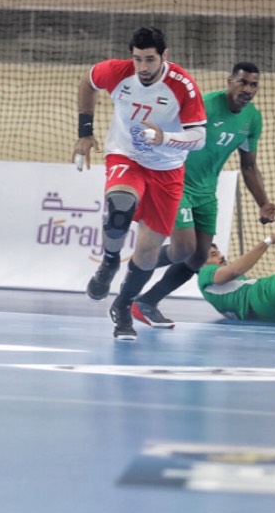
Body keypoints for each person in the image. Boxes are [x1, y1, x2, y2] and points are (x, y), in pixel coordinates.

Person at [73, 26, 207, 340]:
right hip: (126, 156)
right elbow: (87, 82)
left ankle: (123, 305)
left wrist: (165, 138)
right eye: (137, 59)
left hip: (167, 170)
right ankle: (109, 262)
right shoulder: (117, 72)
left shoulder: (182, 85)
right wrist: (85, 132)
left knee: (147, 252)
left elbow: (199, 137)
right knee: (119, 207)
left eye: (150, 59)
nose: (143, 67)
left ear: (164, 56)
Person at [130, 62, 275, 329]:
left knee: (199, 256)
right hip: (176, 183)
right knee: (183, 248)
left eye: (253, 85)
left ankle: (147, 302)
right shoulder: (205, 106)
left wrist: (263, 203)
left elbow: (248, 166)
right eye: (242, 82)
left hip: (207, 192)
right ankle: (138, 265)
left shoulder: (252, 119)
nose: (247, 89)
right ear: (229, 82)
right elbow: (165, 135)